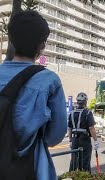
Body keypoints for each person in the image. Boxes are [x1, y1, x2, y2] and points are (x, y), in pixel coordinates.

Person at [0, 10, 67, 179]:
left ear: (12, 40)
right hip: (31, 169)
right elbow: (55, 136)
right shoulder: (49, 80)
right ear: (42, 45)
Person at [68, 92, 99, 172]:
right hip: (84, 139)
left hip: (75, 140)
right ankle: (84, 176)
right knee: (85, 161)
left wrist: (70, 140)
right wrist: (95, 141)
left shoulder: (72, 113)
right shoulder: (88, 113)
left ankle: (72, 176)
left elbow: (69, 129)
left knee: (74, 161)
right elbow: (91, 128)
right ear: (85, 102)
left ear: (77, 102)